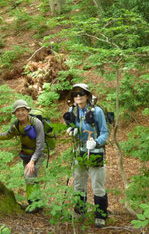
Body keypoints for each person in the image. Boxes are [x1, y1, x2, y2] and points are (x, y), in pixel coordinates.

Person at [0, 99, 46, 213]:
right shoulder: (16, 125)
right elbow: (7, 135)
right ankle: (36, 203)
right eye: (18, 111)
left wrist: (33, 161)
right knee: (30, 178)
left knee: (29, 176)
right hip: (26, 154)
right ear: (15, 113)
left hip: (39, 153)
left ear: (27, 111)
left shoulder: (36, 123)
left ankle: (34, 205)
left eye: (23, 110)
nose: (20, 113)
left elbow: (40, 145)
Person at [63, 83, 109, 228]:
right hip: (79, 151)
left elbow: (105, 132)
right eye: (75, 94)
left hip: (95, 151)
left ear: (87, 95)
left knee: (98, 185)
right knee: (78, 184)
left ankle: (101, 215)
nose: (78, 96)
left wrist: (96, 142)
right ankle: (79, 211)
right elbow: (70, 125)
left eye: (81, 93)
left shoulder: (97, 111)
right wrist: (71, 130)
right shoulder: (73, 110)